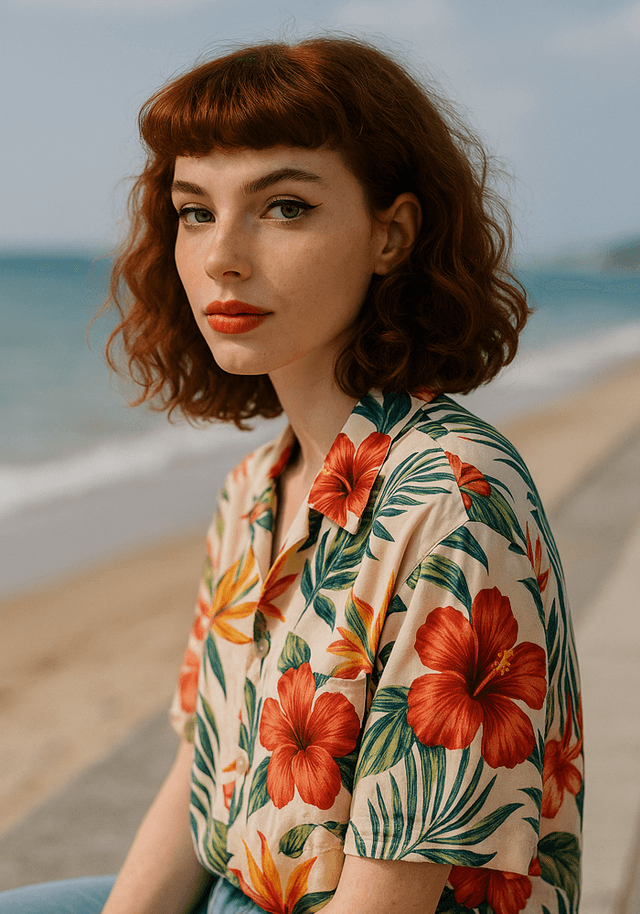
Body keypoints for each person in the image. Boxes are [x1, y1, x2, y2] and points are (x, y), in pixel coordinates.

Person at [0, 36, 583, 914]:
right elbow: (205, 766)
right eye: (195, 211)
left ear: (392, 234)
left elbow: (394, 893)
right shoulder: (255, 485)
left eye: (283, 207)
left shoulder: (453, 501)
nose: (222, 256)